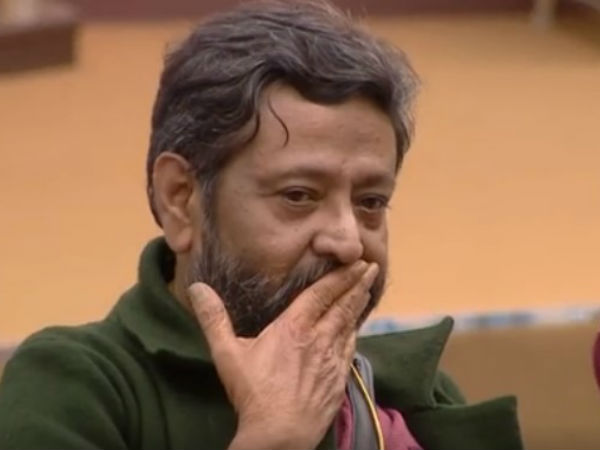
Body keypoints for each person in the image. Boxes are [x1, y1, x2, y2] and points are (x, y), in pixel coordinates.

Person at [0, 1, 522, 449]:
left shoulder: (416, 396)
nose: (347, 240)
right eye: (299, 195)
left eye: (371, 202)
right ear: (180, 199)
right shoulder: (79, 387)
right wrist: (274, 438)